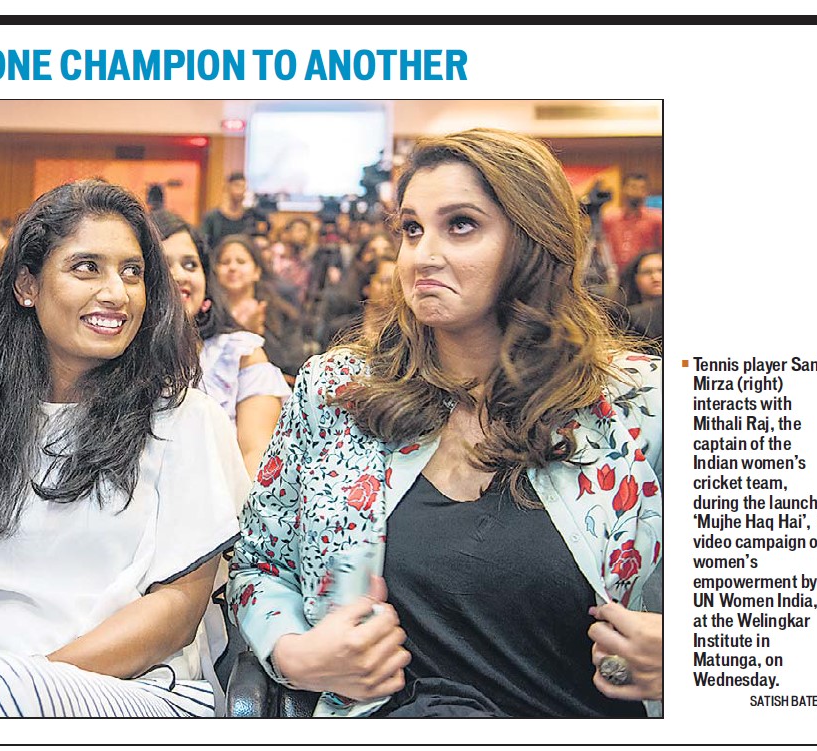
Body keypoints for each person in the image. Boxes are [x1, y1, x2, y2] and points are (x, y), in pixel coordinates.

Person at [228, 129, 663, 718]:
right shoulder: (337, 391)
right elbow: (259, 562)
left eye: (460, 225)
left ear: (532, 241)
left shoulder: (638, 403)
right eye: (412, 229)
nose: (423, 256)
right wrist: (294, 654)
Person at [0, 180, 249, 718]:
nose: (117, 293)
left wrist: (21, 676)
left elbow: (177, 611)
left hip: (139, 691)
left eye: (132, 272)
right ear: (27, 286)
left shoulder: (186, 419)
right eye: (86, 268)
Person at [152, 211, 291, 478]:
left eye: (190, 265)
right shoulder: (114, 353)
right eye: (164, 264)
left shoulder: (240, 355)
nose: (179, 275)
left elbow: (257, 456)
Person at [212, 234, 310, 378]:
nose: (232, 267)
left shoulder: (282, 313)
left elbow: (294, 366)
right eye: (225, 262)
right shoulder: (207, 316)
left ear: (257, 272)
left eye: (241, 262)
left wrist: (256, 335)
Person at [600, 172, 663, 272]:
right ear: (623, 189)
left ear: (647, 192)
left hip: (644, 274)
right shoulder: (609, 219)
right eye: (633, 187)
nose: (637, 192)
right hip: (613, 274)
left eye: (642, 188)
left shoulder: (657, 219)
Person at [200, 171, 264, 250]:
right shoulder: (212, 217)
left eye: (243, 187)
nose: (240, 191)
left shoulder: (250, 217)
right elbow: (203, 244)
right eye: (237, 186)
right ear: (227, 187)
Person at [617, 251, 663, 347]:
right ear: (635, 278)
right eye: (647, 272)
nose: (655, 277)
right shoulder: (626, 317)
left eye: (661, 270)